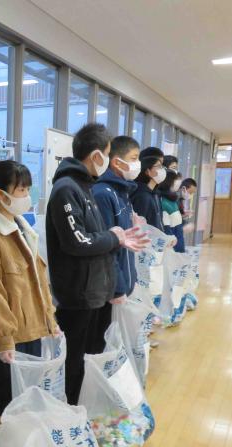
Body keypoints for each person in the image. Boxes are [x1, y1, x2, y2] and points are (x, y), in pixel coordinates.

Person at [46, 123, 148, 406]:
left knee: (90, 356)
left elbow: (95, 236)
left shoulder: (84, 186)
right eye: (107, 152)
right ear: (96, 156)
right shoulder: (66, 189)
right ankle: (72, 411)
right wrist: (114, 237)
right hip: (77, 294)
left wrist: (117, 237)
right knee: (75, 361)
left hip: (93, 291)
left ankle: (85, 409)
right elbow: (77, 241)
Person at [0, 160, 60, 427]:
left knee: (20, 404)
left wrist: (50, 320)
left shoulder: (22, 230)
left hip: (28, 333)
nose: (26, 196)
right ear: (1, 194)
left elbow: (38, 283)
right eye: (21, 190)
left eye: (28, 189)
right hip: (3, 340)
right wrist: (4, 340)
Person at [92, 136, 142, 305]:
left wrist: (132, 278)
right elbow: (106, 247)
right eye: (134, 158)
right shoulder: (103, 194)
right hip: (111, 289)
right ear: (116, 162)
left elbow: (126, 242)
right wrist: (118, 288)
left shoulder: (123, 192)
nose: (138, 164)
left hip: (124, 281)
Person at [130, 146, 166, 230]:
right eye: (159, 166)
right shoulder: (142, 195)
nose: (163, 170)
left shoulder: (154, 193)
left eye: (162, 166)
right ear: (148, 171)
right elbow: (139, 227)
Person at [158, 168, 185, 252]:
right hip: (171, 246)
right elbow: (166, 228)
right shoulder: (163, 201)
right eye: (175, 179)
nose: (178, 182)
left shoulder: (172, 200)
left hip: (178, 242)